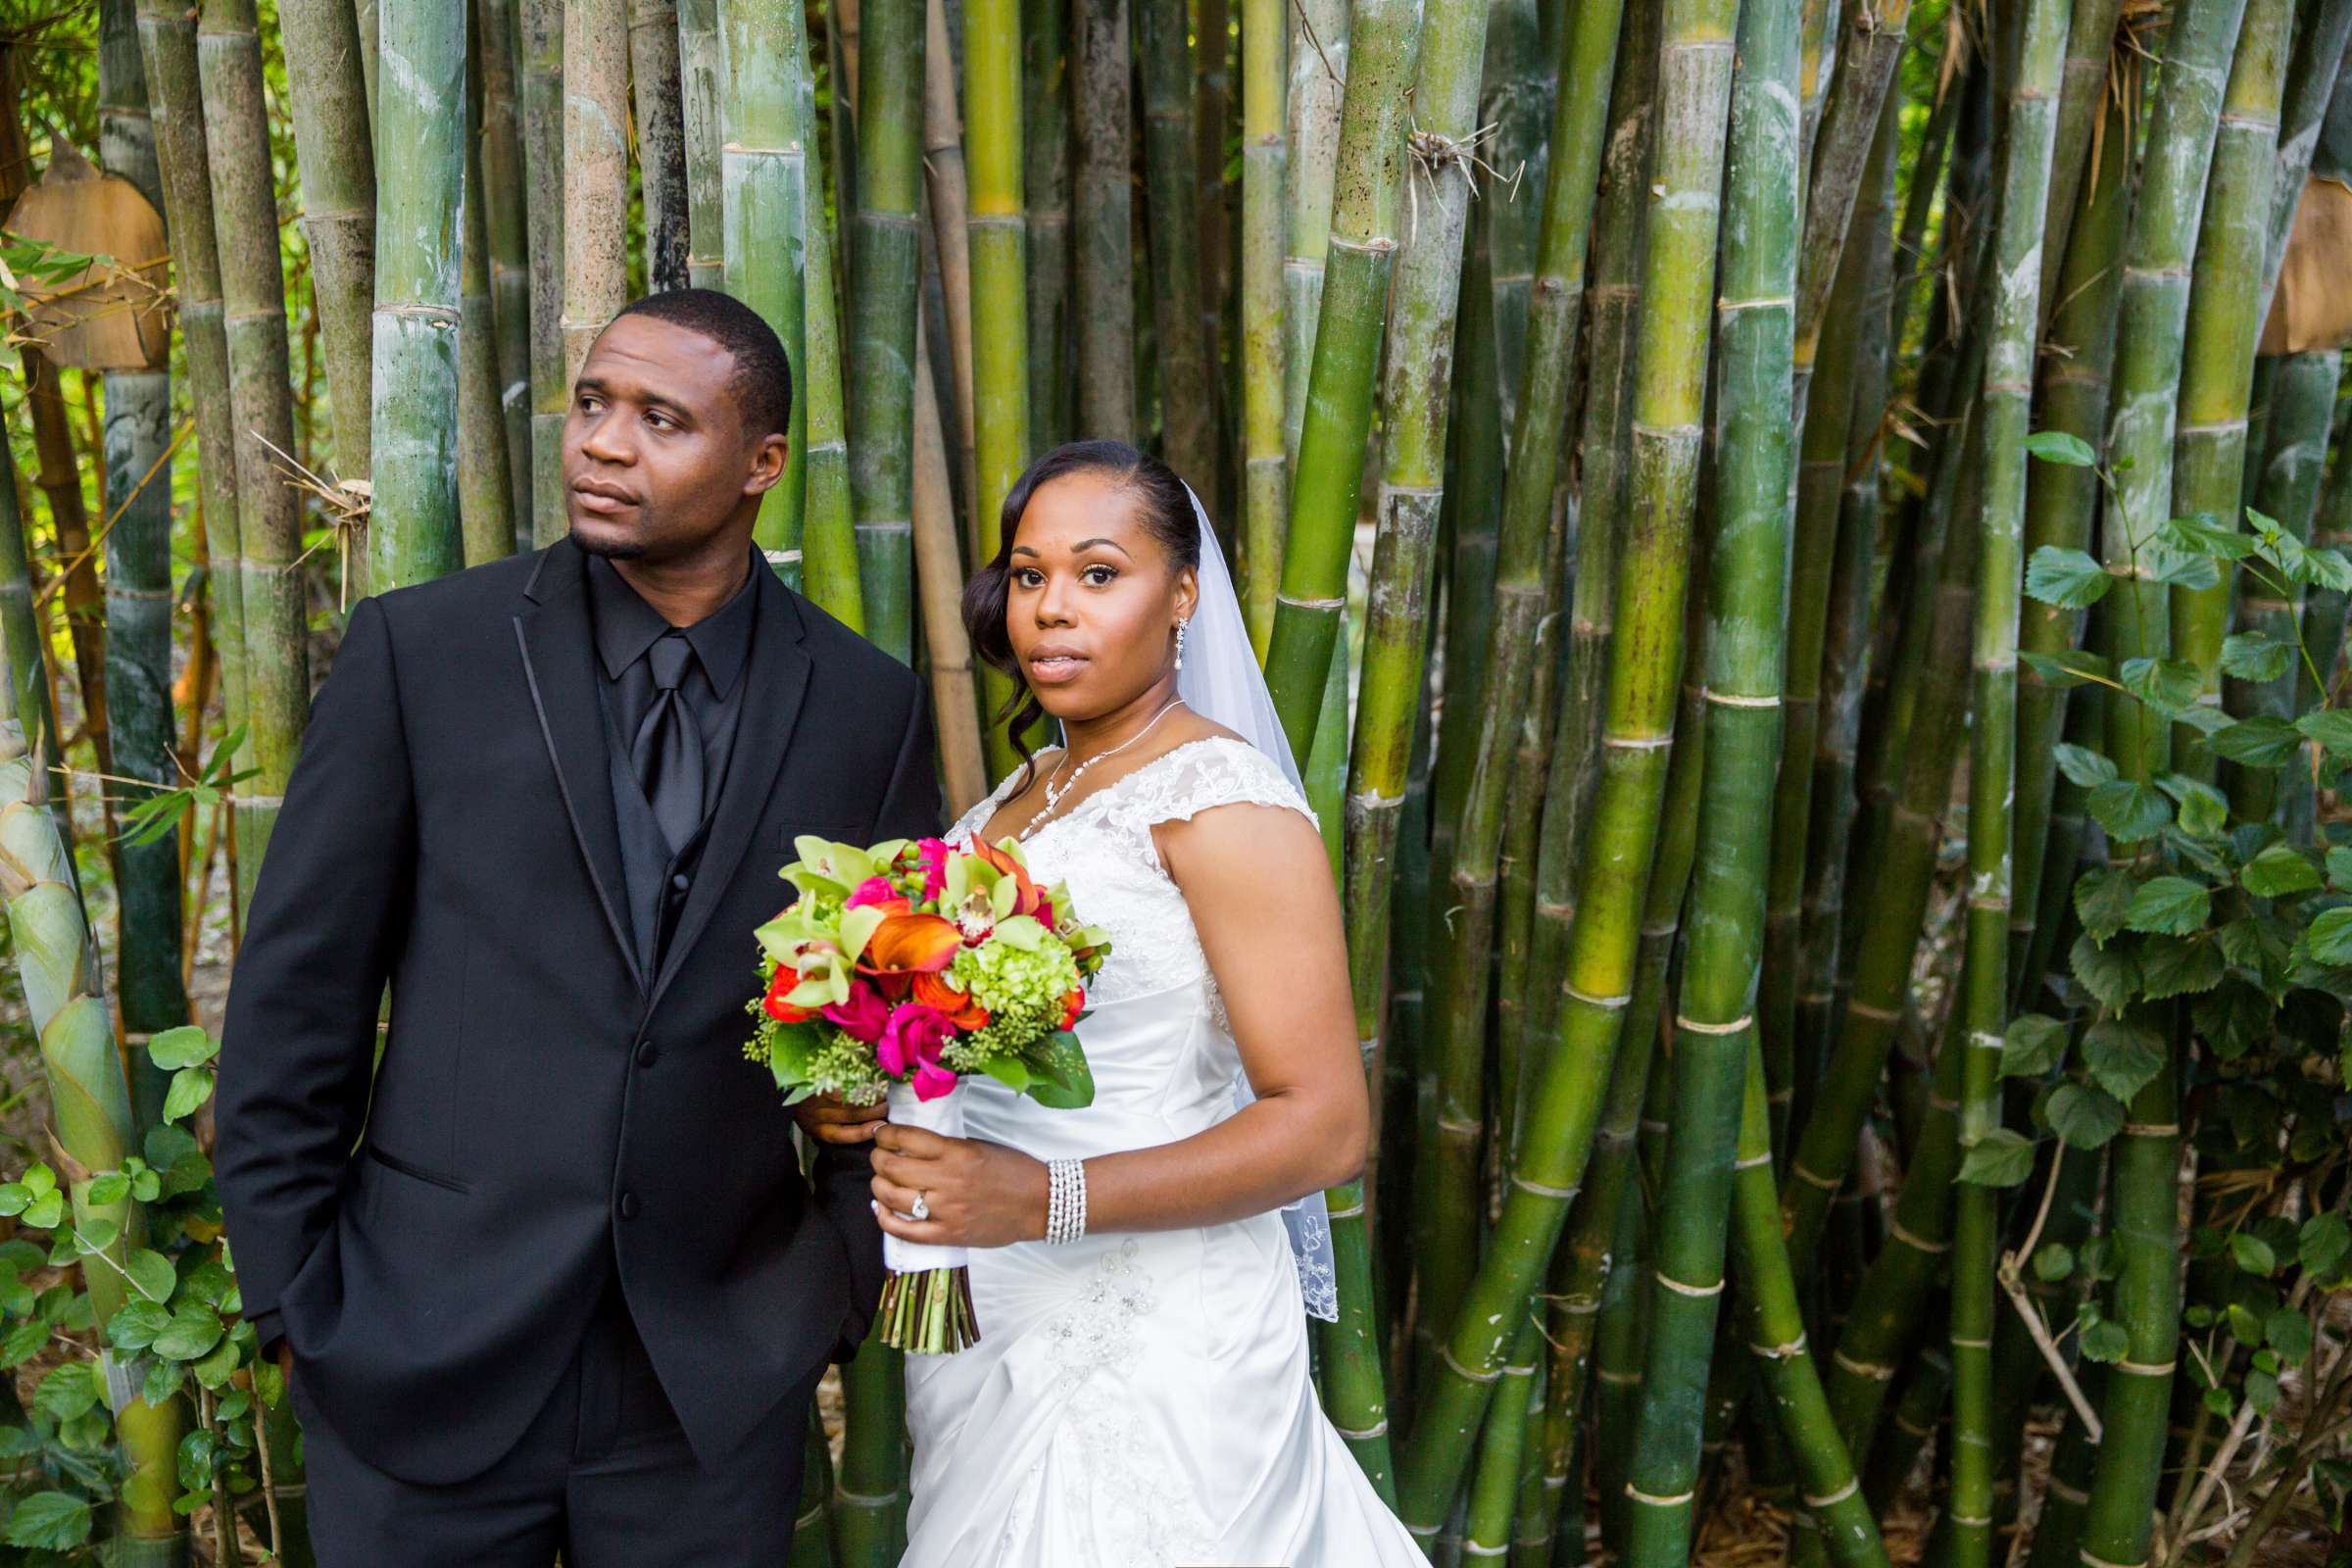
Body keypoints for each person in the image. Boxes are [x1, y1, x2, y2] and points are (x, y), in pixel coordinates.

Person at [214, 288, 941, 1564]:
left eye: (663, 419)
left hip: (706, 1381)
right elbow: (294, 1011)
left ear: (762, 464)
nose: (605, 442)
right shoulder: (420, 656)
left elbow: (892, 1033)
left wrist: (833, 1280)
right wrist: (293, 1305)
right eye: (594, 403)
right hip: (418, 1348)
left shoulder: (865, 710)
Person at [803, 440, 1425, 1563]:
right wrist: (860, 1082)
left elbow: (1327, 1125)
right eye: (1029, 575)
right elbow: (971, 1036)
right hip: (997, 1303)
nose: (1051, 610)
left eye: (1098, 574)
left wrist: (1047, 1198)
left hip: (1156, 1321)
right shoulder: (1025, 792)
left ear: (1183, 594)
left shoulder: (1223, 804)